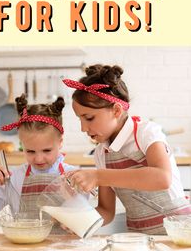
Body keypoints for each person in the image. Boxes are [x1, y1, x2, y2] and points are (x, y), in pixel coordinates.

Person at [63, 64, 191, 234]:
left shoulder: (146, 133)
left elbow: (162, 178)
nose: (83, 128)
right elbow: (106, 211)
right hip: (139, 238)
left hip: (179, 235)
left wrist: (98, 176)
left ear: (116, 110)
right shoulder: (102, 153)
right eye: (80, 119)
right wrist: (79, 221)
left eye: (89, 118)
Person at [0, 94, 75, 232]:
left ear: (60, 143)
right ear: (22, 146)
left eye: (47, 150)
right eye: (30, 151)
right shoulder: (13, 178)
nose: (38, 159)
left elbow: (85, 224)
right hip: (23, 250)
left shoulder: (74, 177)